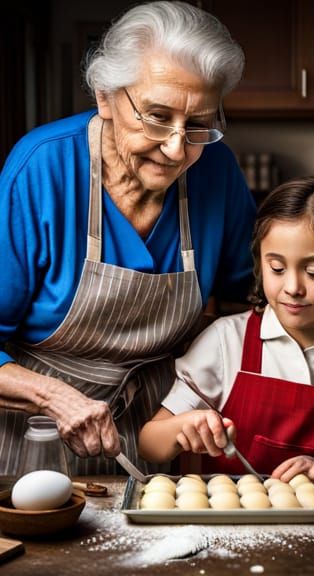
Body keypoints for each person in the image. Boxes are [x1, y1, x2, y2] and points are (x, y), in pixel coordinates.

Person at [0, 1, 256, 475]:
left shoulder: (217, 171)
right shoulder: (42, 168)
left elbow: (249, 309)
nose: (177, 148)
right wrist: (54, 397)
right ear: (105, 96)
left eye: (198, 124)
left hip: (155, 436)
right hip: (33, 442)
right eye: (157, 117)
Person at [139, 177, 314, 490]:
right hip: (227, 529)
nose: (293, 287)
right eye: (277, 268)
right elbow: (150, 443)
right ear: (259, 265)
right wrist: (182, 427)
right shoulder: (226, 341)